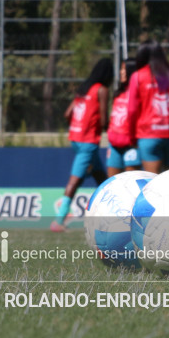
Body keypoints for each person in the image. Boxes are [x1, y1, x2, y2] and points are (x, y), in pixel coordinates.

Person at [51, 58, 113, 232]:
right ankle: (58, 220)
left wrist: (79, 124)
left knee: (102, 180)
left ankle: (112, 214)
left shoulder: (84, 88)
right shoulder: (102, 90)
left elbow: (67, 113)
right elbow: (103, 120)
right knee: (74, 180)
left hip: (76, 138)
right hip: (88, 141)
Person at [126, 40, 169, 174]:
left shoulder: (137, 76)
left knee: (153, 180)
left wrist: (132, 137)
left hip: (148, 134)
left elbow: (132, 110)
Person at [106, 59, 140, 177]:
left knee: (131, 182)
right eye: (121, 69)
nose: (121, 72)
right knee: (112, 182)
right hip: (114, 144)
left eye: (124, 69)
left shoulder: (138, 92)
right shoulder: (118, 93)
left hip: (131, 145)